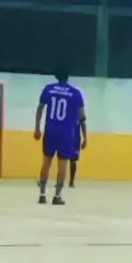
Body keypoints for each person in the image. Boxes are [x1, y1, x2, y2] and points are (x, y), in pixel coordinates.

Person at [34, 70, 87, 205]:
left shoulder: (49, 89)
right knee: (62, 165)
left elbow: (40, 108)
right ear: (68, 77)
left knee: (46, 162)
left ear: (56, 77)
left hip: (50, 130)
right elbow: (82, 117)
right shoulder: (75, 93)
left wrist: (37, 127)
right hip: (67, 133)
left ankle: (42, 194)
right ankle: (57, 196)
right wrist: (85, 136)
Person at [69, 120, 82, 188]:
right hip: (65, 137)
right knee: (61, 159)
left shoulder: (79, 114)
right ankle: (60, 181)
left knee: (73, 160)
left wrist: (85, 139)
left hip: (75, 139)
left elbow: (83, 124)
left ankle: (71, 181)